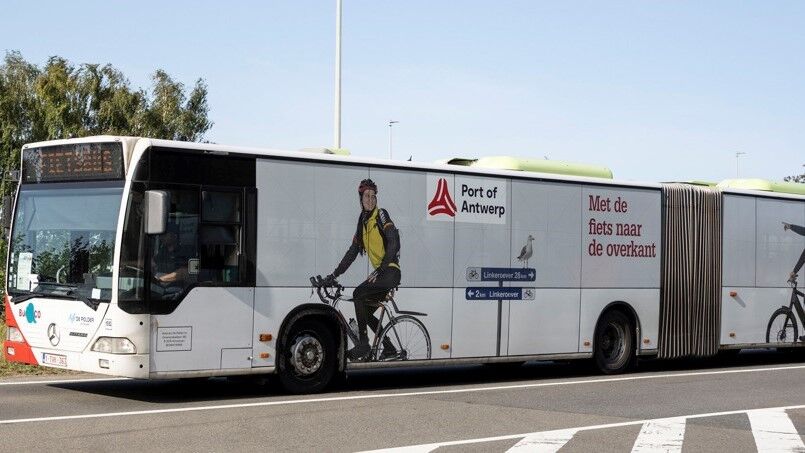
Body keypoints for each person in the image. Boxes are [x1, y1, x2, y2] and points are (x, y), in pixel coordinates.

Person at [328, 179, 401, 361]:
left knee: (358, 293)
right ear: (360, 199)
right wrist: (334, 274)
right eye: (367, 196)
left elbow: (394, 243)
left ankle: (363, 344)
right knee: (366, 313)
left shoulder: (381, 215)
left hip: (390, 271)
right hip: (382, 273)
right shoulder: (362, 222)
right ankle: (389, 348)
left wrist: (381, 269)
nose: (370, 199)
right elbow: (352, 253)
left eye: (373, 196)